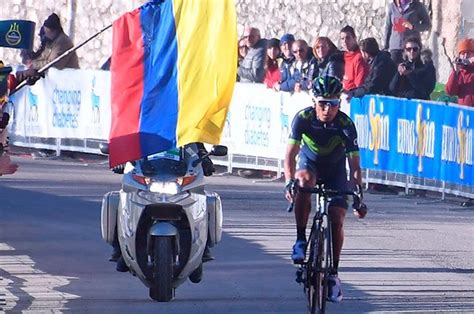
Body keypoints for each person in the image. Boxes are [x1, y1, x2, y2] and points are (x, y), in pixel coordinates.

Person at [284, 75, 367, 303]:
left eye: (333, 103)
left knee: (337, 216)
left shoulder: (345, 124)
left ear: (339, 104)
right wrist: (288, 181)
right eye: (322, 103)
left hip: (335, 170)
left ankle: (333, 275)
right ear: (314, 102)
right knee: (304, 181)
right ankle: (301, 240)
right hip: (310, 164)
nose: (327, 109)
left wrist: (358, 194)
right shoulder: (303, 118)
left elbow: (355, 167)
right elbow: (290, 155)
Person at [16, 13, 79, 82]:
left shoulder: (62, 42)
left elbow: (54, 63)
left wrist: (33, 64)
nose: (45, 34)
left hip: (68, 81)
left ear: (54, 31)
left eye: (47, 32)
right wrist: (31, 58)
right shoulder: (51, 41)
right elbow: (43, 57)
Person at [383, 0, 431, 65]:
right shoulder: (392, 6)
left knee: (412, 73)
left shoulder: (418, 6)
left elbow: (427, 25)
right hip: (395, 47)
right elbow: (388, 27)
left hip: (412, 48)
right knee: (394, 73)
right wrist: (385, 46)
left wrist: (412, 26)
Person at [389, 36, 436, 100]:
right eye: (409, 49)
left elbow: (426, 90)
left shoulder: (427, 66)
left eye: (415, 49)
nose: (412, 51)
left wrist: (410, 74)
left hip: (420, 105)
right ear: (405, 51)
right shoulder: (404, 66)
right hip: (404, 104)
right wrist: (398, 74)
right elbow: (392, 89)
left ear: (419, 50)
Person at [340, 25, 370, 94]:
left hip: (353, 97)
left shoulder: (359, 58)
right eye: (342, 38)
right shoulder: (345, 56)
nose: (345, 41)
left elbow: (360, 85)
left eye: (348, 38)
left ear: (354, 38)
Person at [445, 38, 474, 107]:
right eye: (463, 53)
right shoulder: (459, 73)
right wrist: (455, 72)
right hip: (464, 112)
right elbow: (450, 92)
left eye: (469, 53)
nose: (466, 56)